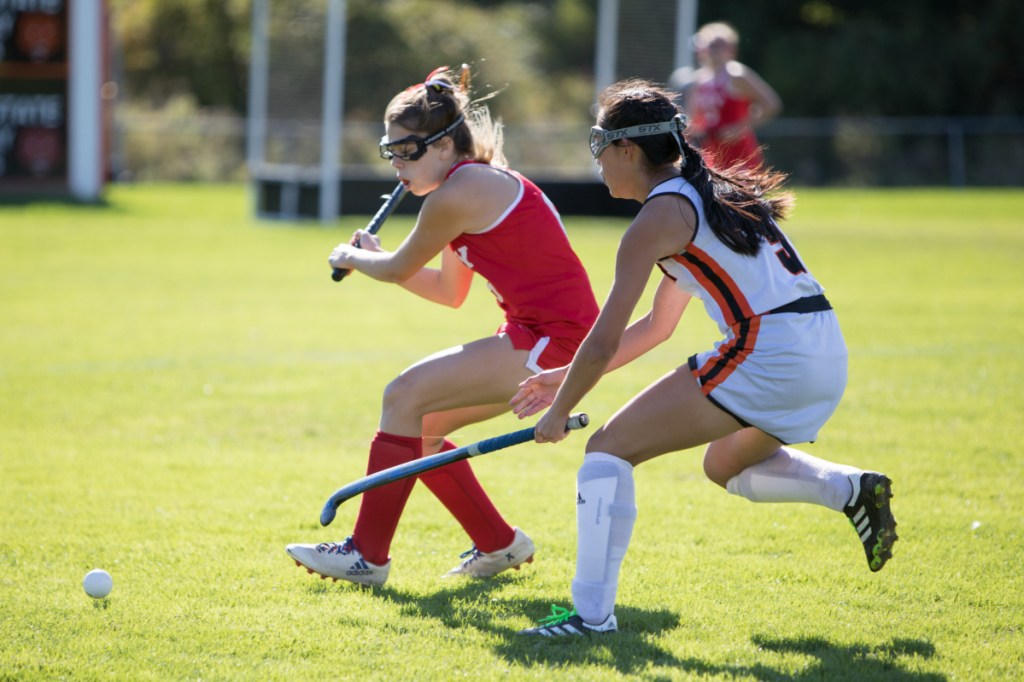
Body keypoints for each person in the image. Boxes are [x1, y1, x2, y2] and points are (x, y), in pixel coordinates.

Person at [512, 79, 898, 636]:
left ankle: (590, 617)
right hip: (824, 353)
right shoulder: (704, 191)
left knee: (606, 451)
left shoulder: (658, 220)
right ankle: (850, 488)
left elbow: (601, 338)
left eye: (599, 145)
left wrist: (558, 411)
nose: (596, 160)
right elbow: (656, 327)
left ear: (628, 149)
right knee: (725, 466)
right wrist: (560, 379)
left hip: (771, 351)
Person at [285, 66, 599, 588]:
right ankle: (499, 544)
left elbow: (399, 270)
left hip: (556, 342)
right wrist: (379, 257)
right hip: (538, 335)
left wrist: (354, 257)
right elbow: (448, 293)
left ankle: (366, 556)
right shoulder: (463, 189)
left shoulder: (460, 192)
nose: (397, 164)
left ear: (446, 145)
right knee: (423, 431)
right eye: (391, 151)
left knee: (403, 395)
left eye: (408, 150)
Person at [682, 22, 781, 171]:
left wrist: (740, 128)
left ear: (731, 48)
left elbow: (771, 104)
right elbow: (692, 117)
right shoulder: (698, 80)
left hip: (739, 154)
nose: (713, 50)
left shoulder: (737, 74)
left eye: (719, 45)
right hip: (710, 152)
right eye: (710, 45)